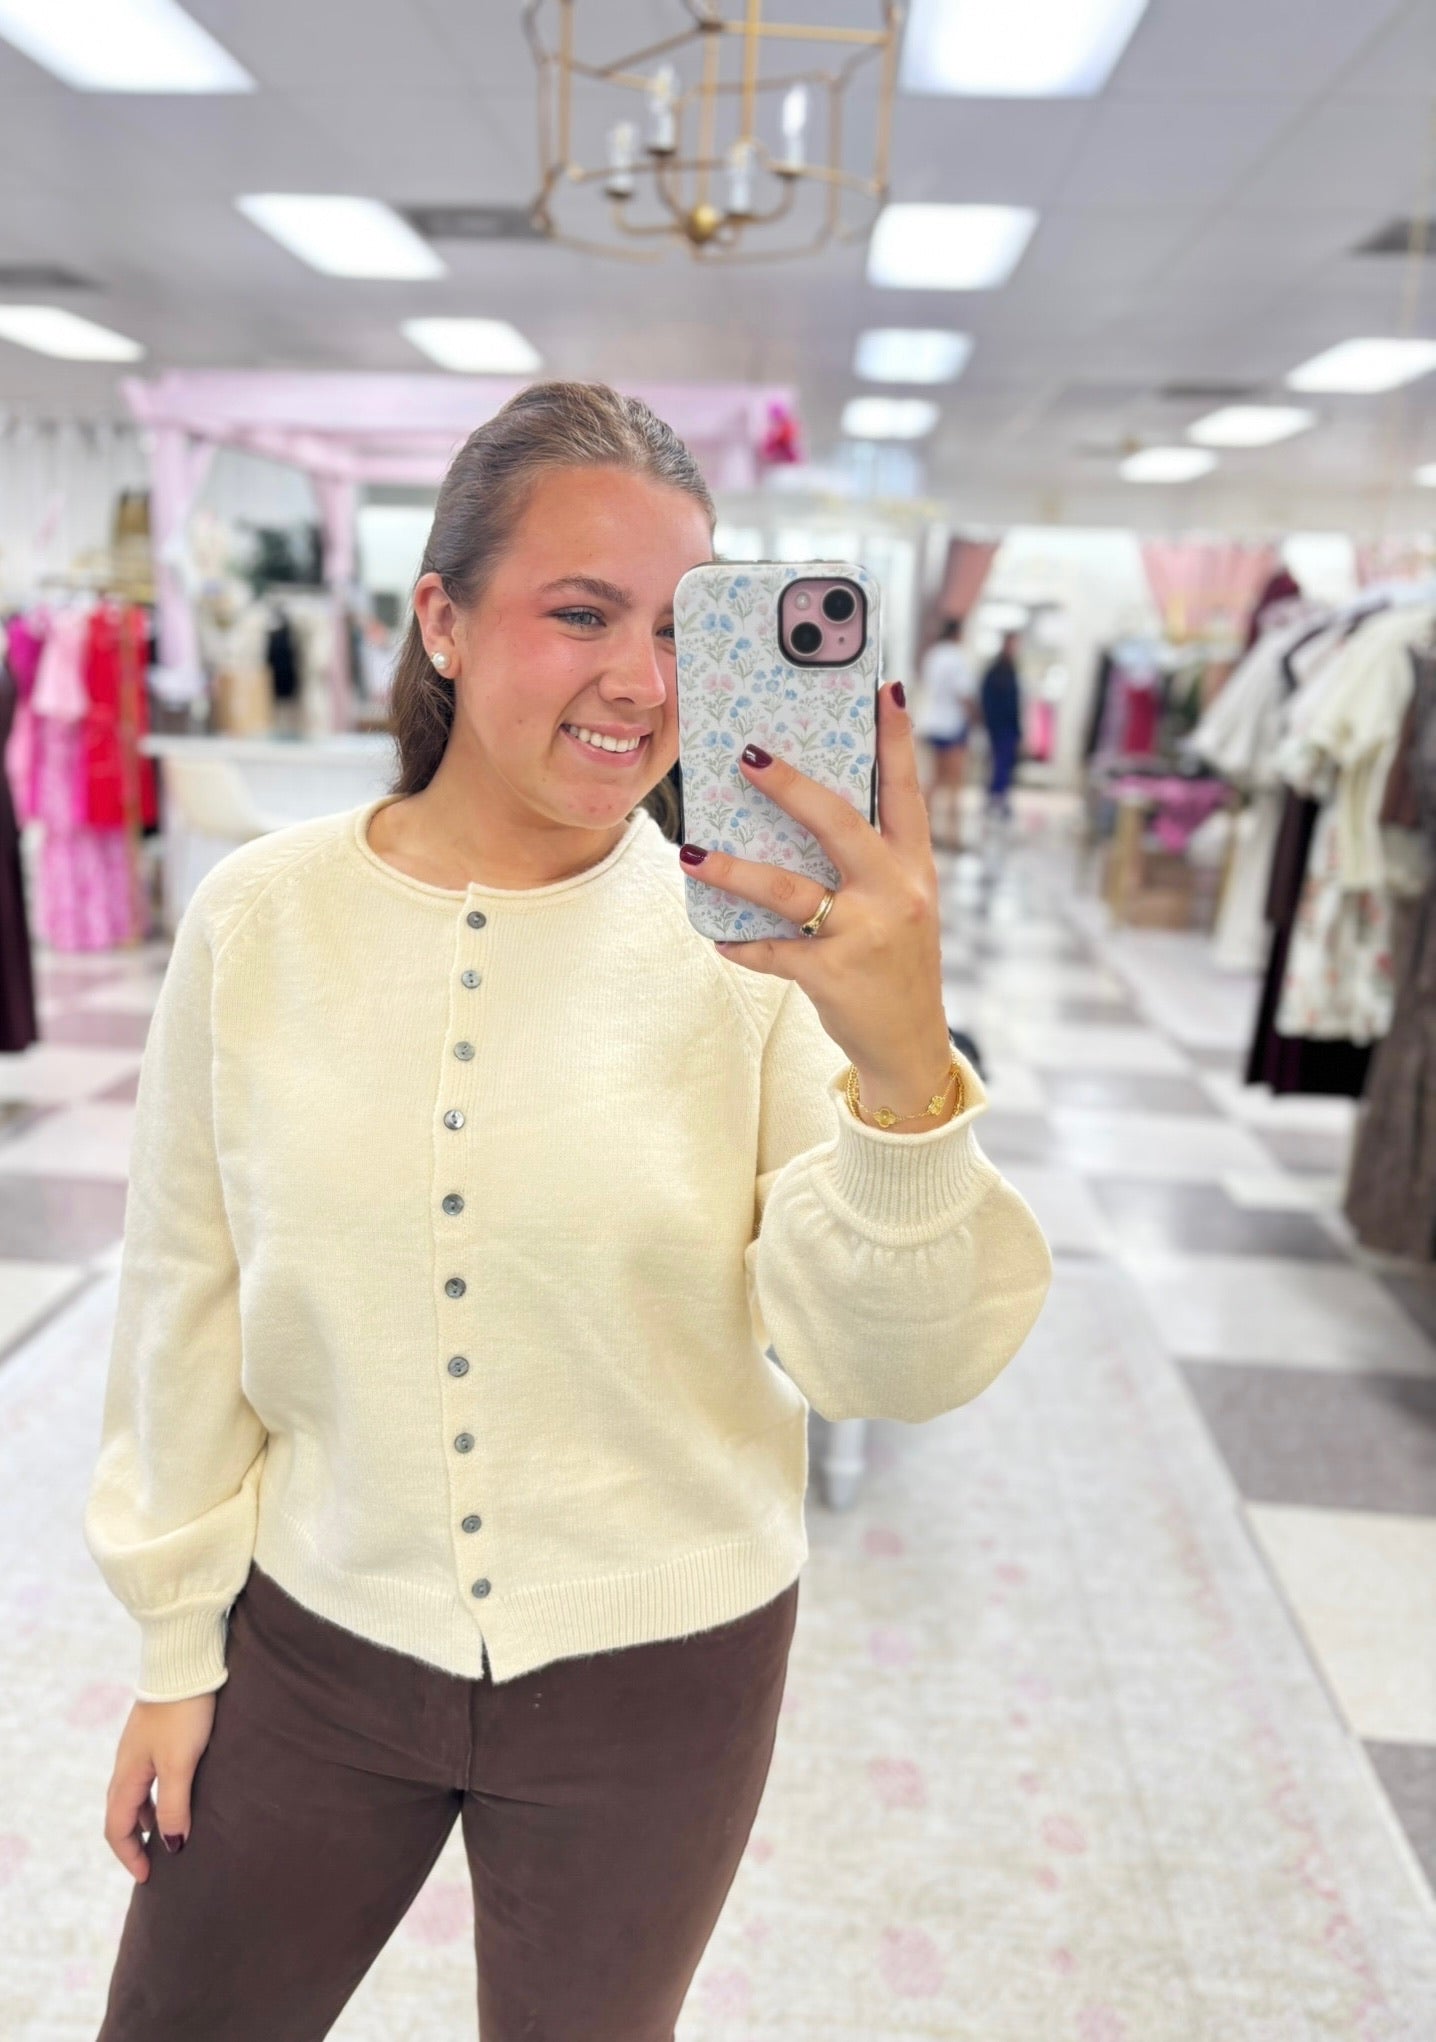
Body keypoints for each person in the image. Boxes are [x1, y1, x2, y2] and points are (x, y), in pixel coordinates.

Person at [84, 381, 1052, 2041]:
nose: (642, 681)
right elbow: (186, 1287)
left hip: (664, 1668)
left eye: (682, 628)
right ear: (442, 621)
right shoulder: (262, 921)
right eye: (583, 613)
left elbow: (882, 1367)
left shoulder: (755, 956)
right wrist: (176, 1649)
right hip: (317, 1635)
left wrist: (903, 1064)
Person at [912, 615, 974, 851]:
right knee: (955, 783)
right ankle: (952, 835)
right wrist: (975, 716)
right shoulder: (956, 657)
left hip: (931, 722)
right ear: (957, 633)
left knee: (933, 781)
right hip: (952, 725)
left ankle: (924, 832)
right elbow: (963, 693)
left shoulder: (933, 655)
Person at [980, 629, 1025, 819]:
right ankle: (995, 798)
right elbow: (987, 700)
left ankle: (1000, 797)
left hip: (1009, 727)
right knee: (999, 764)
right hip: (998, 727)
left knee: (1006, 765)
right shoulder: (996, 671)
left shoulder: (1012, 669)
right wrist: (991, 723)